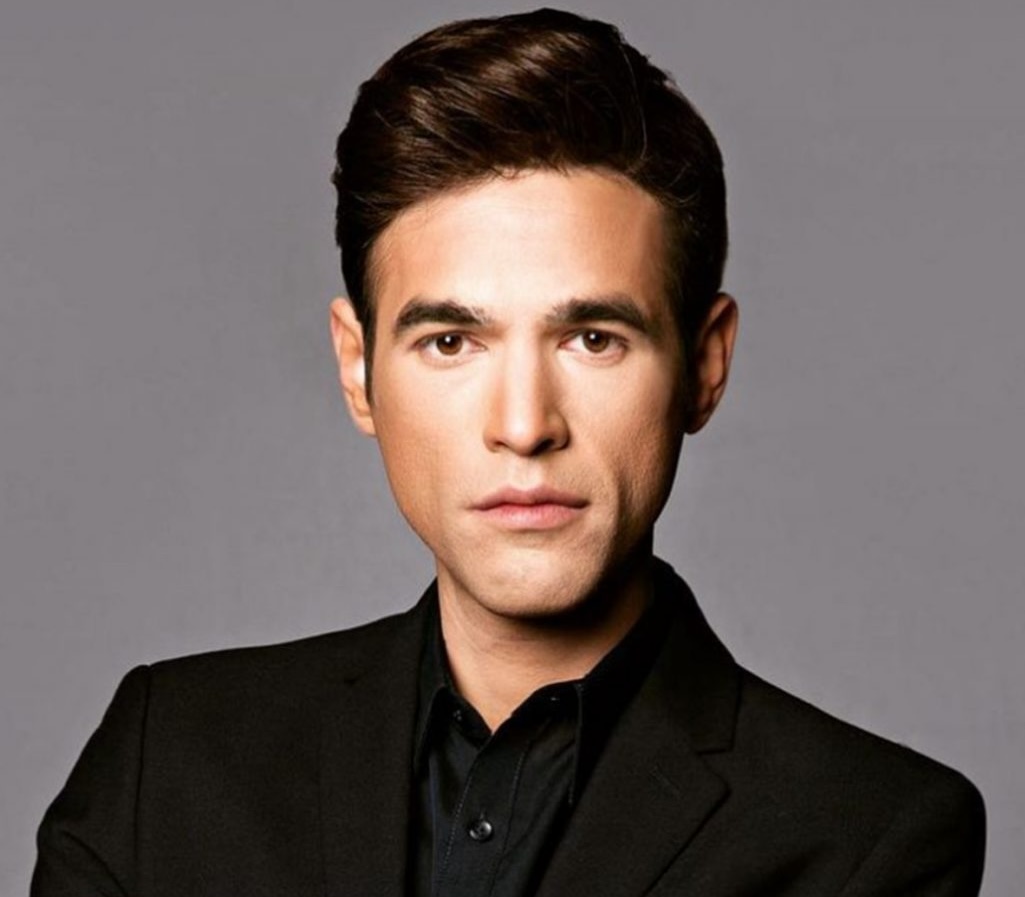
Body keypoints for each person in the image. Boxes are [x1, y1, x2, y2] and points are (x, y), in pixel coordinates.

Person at [31, 8, 985, 896]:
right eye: (451, 341)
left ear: (704, 365)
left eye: (593, 339)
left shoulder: (869, 839)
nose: (524, 424)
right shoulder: (169, 761)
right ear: (358, 370)